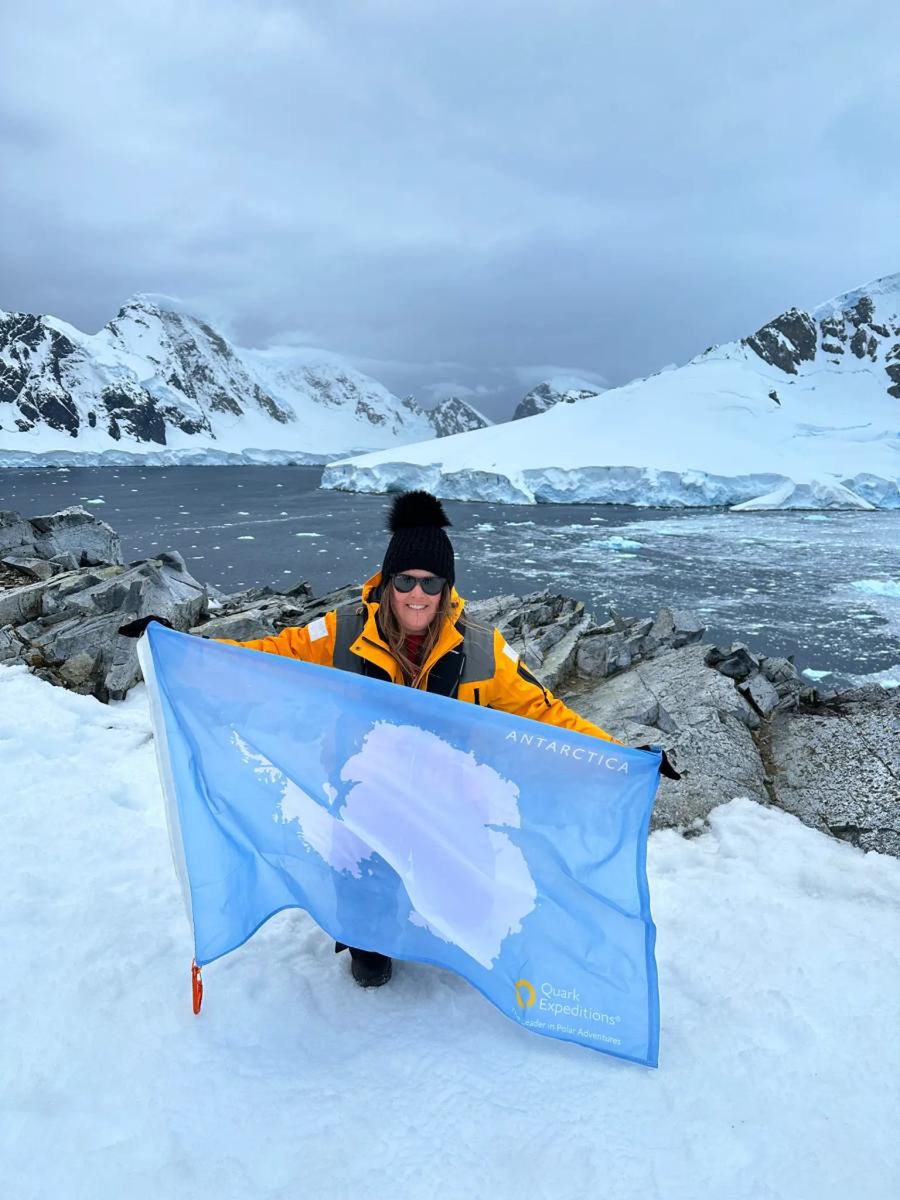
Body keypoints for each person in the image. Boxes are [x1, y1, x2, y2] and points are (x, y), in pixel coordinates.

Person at [121, 490, 677, 988]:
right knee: (369, 946)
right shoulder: (339, 633)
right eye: (404, 580)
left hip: (445, 803)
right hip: (362, 799)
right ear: (387, 584)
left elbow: (543, 711)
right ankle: (367, 933)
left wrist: (621, 760)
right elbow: (268, 657)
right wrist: (179, 648)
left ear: (446, 589)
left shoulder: (483, 650)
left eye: (430, 583)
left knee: (461, 914)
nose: (417, 593)